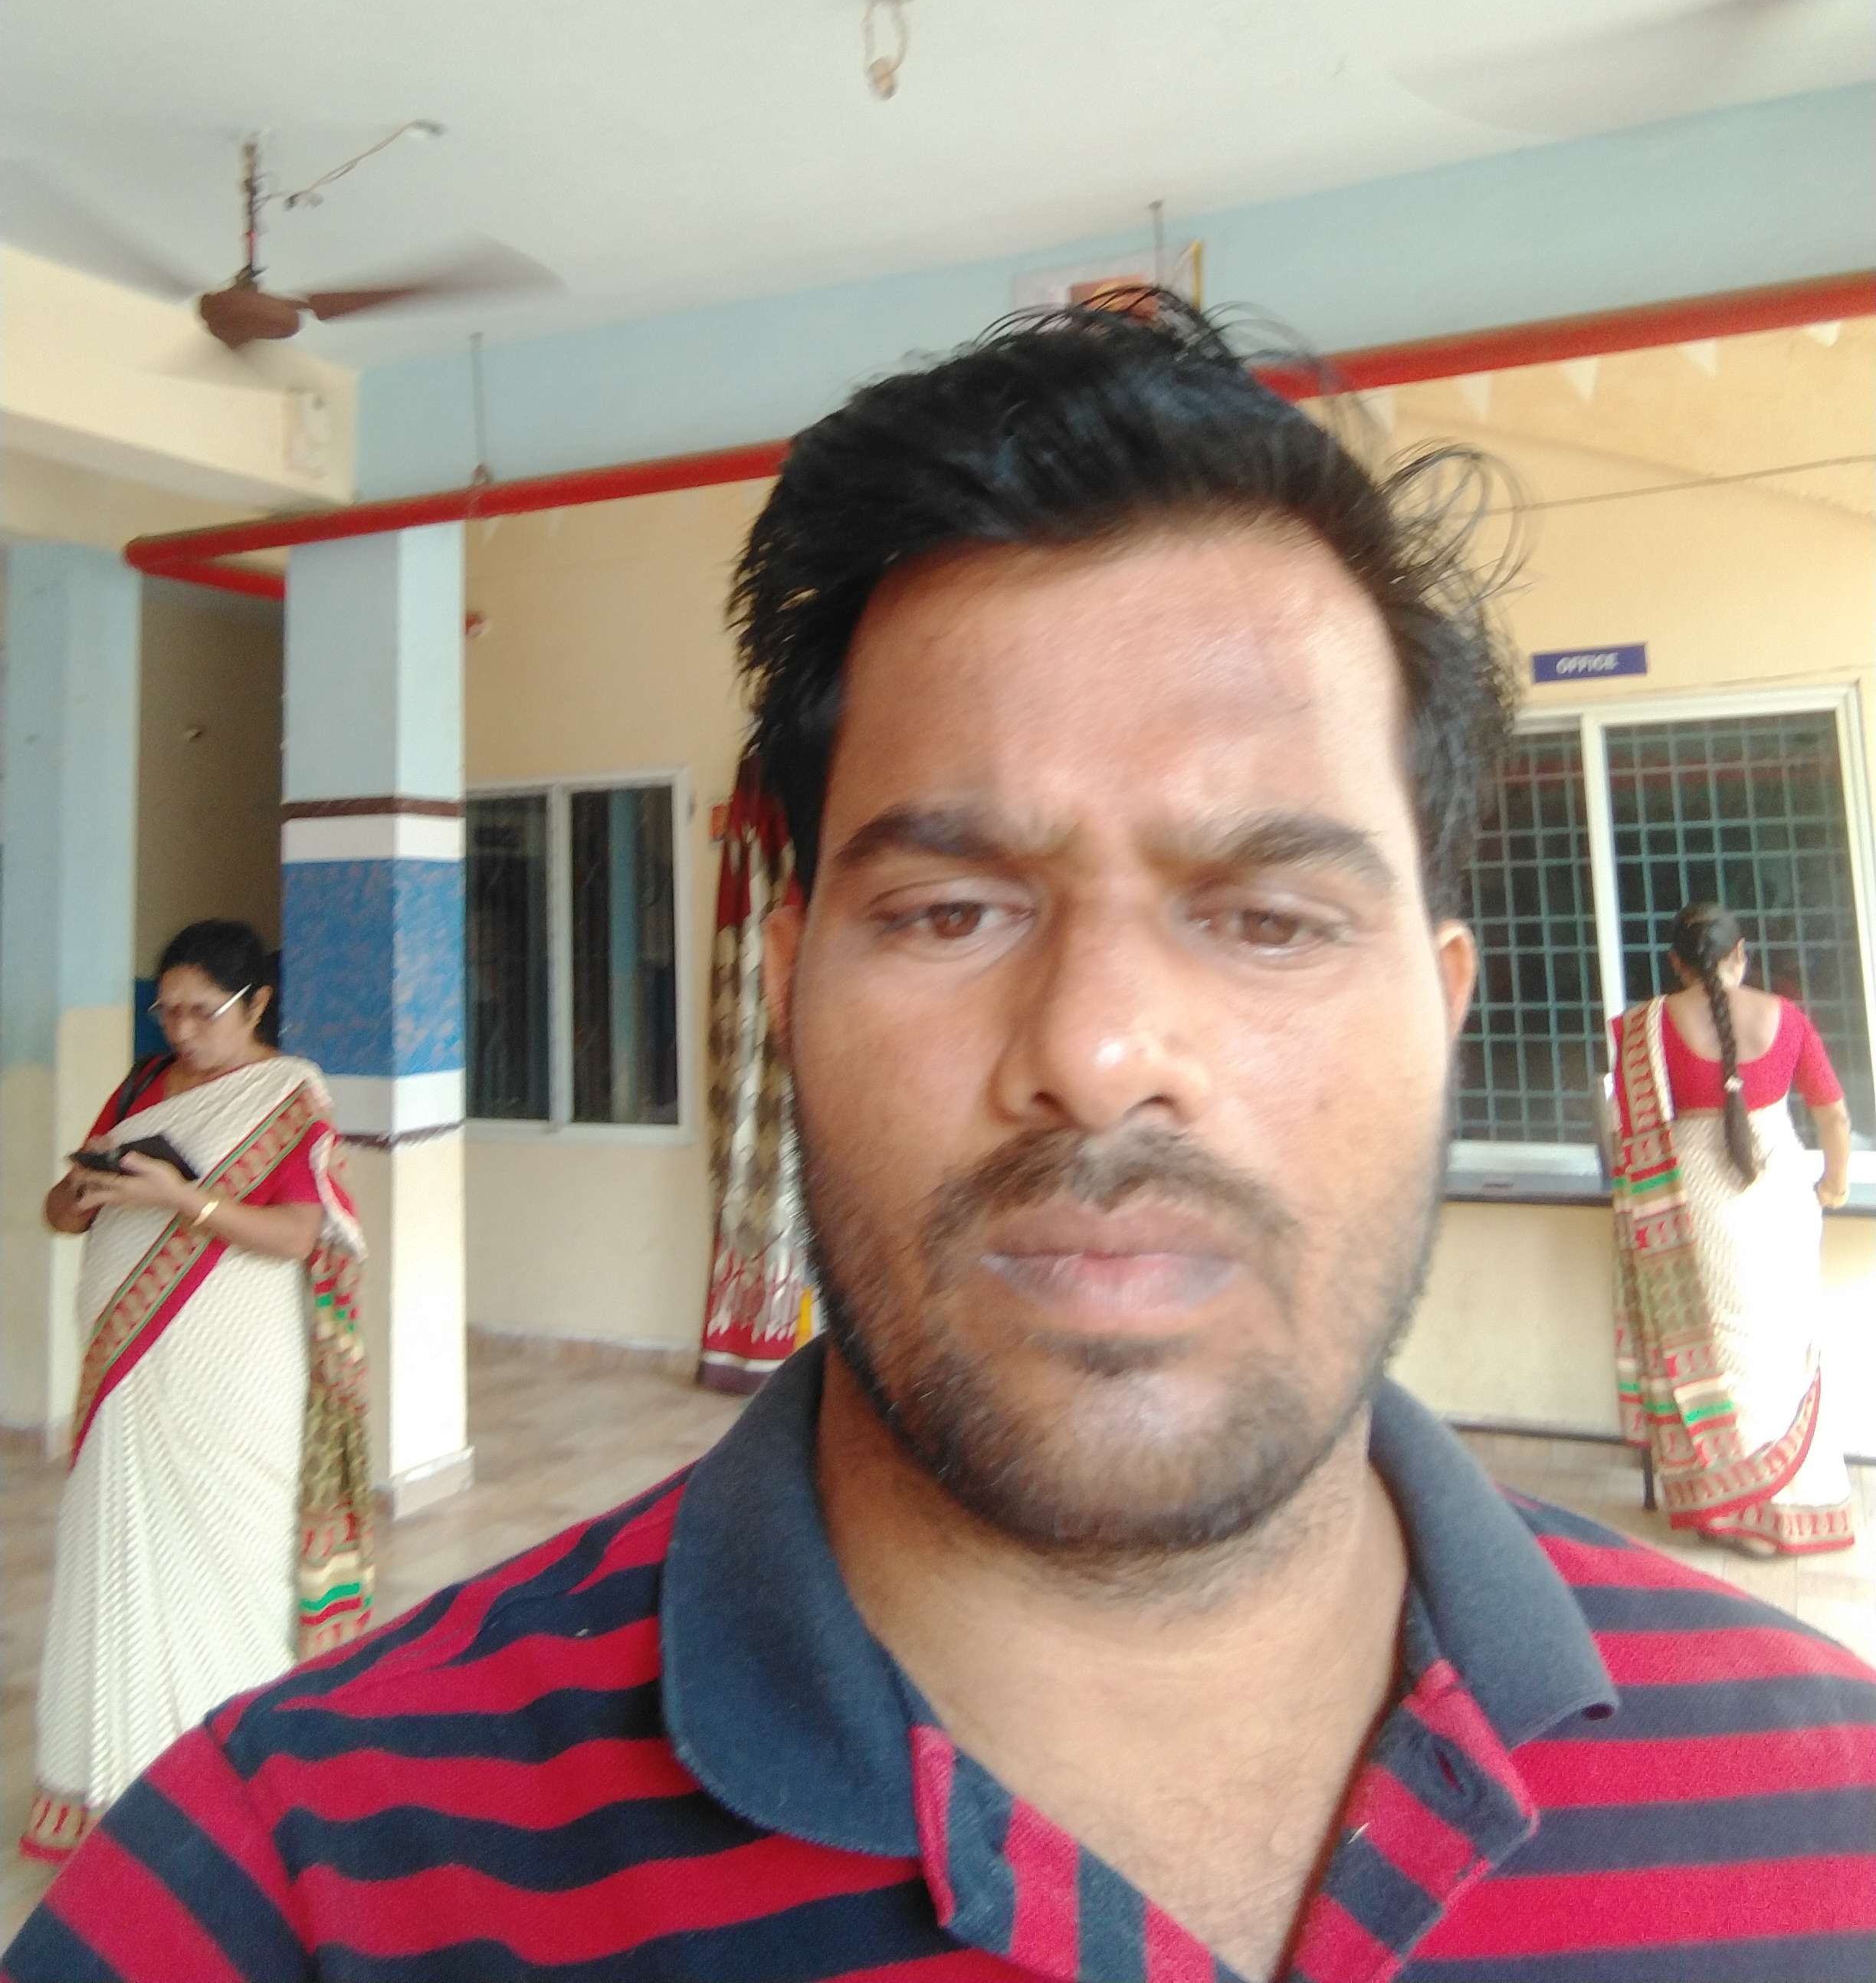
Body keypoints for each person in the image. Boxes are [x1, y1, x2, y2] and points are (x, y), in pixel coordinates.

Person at [8, 304, 1874, 1981]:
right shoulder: (301, 1884)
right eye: (953, 910)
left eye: (1267, 916)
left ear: (1443, 1007)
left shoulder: (1831, 1812)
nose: (1096, 1056)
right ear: (786, 985)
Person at [18, 920, 371, 1869]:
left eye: (202, 1012)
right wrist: (83, 1193)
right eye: (168, 1010)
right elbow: (60, 1211)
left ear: (255, 1005)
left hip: (231, 1369)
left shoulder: (288, 1095)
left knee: (226, 1557)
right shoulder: (143, 1085)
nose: (181, 1030)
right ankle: (114, 1781)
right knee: (115, 1550)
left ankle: (233, 1786)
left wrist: (183, 1201)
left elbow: (299, 1234)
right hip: (124, 1369)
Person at [1612, 898, 1857, 1561]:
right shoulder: (1789, 1017)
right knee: (1783, 1349)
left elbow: (1626, 1129)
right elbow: (1834, 1117)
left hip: (1691, 1205)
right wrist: (1834, 1186)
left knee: (1718, 1357)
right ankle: (1788, 1508)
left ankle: (1729, 1511)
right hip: (1780, 1197)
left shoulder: (1646, 1029)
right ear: (1740, 955)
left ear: (1676, 964)